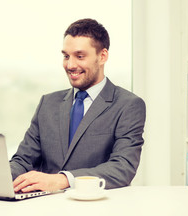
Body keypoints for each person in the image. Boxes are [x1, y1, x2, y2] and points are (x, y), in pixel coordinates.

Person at [10, 18, 146, 193]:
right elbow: (23, 160)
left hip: (98, 206)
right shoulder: (48, 103)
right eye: (66, 56)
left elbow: (122, 168)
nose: (70, 65)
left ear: (102, 56)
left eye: (79, 56)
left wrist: (63, 180)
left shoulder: (128, 105)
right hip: (44, 206)